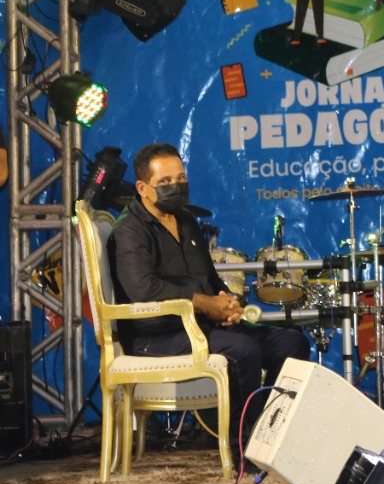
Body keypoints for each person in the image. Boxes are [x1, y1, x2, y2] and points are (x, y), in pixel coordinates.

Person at [107, 143, 311, 460]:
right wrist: (204, 304)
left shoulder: (186, 221)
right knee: (242, 349)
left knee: (292, 343)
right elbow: (143, 290)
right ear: (142, 188)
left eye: (181, 178)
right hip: (154, 336)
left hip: (202, 327)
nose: (176, 187)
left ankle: (269, 435)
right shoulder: (129, 231)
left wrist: (226, 303)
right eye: (165, 182)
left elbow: (210, 279)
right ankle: (244, 449)